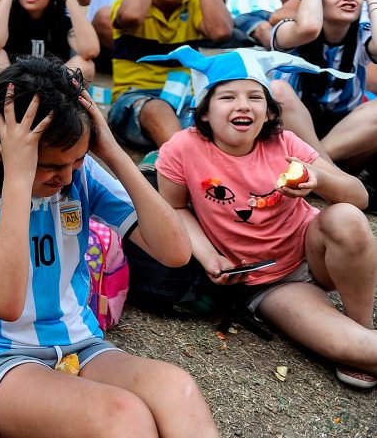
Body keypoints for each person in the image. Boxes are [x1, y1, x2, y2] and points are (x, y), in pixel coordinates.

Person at [0, 56, 218, 438]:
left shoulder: (77, 172)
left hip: (79, 343)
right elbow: (7, 302)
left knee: (177, 389)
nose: (67, 176)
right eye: (51, 165)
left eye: (77, 160)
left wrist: (112, 150)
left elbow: (175, 252)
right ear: (2, 150)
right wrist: (20, 176)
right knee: (123, 416)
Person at [146, 46, 377, 389]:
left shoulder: (284, 142)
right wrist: (210, 256)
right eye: (227, 97)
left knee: (345, 217)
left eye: (255, 96)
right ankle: (358, 347)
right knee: (358, 348)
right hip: (270, 283)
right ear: (205, 112)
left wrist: (320, 178)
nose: (243, 105)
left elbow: (359, 197)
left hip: (315, 252)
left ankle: (361, 324)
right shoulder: (181, 149)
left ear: (268, 112)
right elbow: (175, 208)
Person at [108, 0, 233, 170]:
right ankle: (185, 166)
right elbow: (131, 16)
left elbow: (221, 30)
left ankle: (167, 160)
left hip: (186, 102)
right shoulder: (128, 1)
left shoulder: (194, 4)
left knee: (216, 115)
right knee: (159, 108)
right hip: (132, 101)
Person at [267, 0, 377, 174]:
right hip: (289, 138)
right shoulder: (288, 28)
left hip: (341, 141)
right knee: (277, 90)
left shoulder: (362, 36)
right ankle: (333, 176)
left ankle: (322, 170)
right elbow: (308, 28)